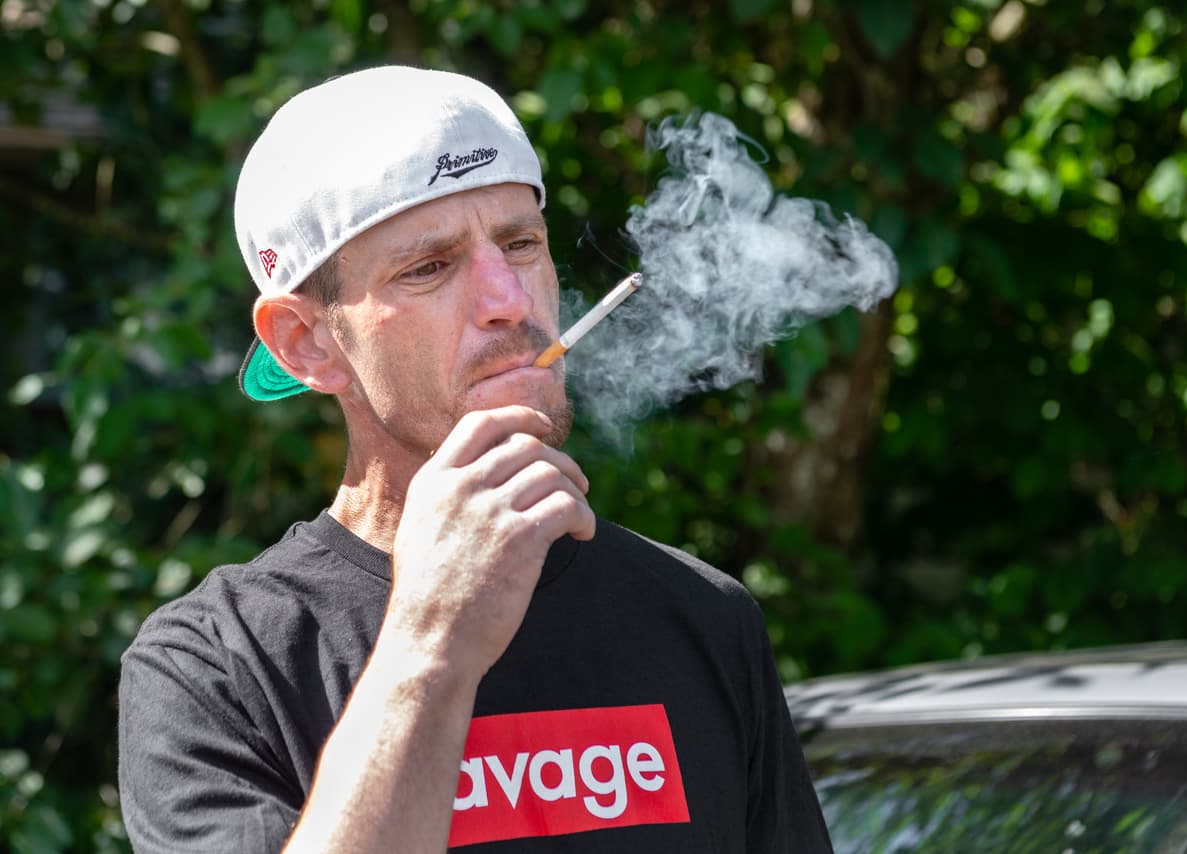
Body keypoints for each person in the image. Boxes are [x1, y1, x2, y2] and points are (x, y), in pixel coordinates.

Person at [117, 65, 832, 853]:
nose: (510, 299)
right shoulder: (218, 666)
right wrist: (432, 644)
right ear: (306, 343)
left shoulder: (703, 616)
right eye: (429, 266)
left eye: (521, 243)